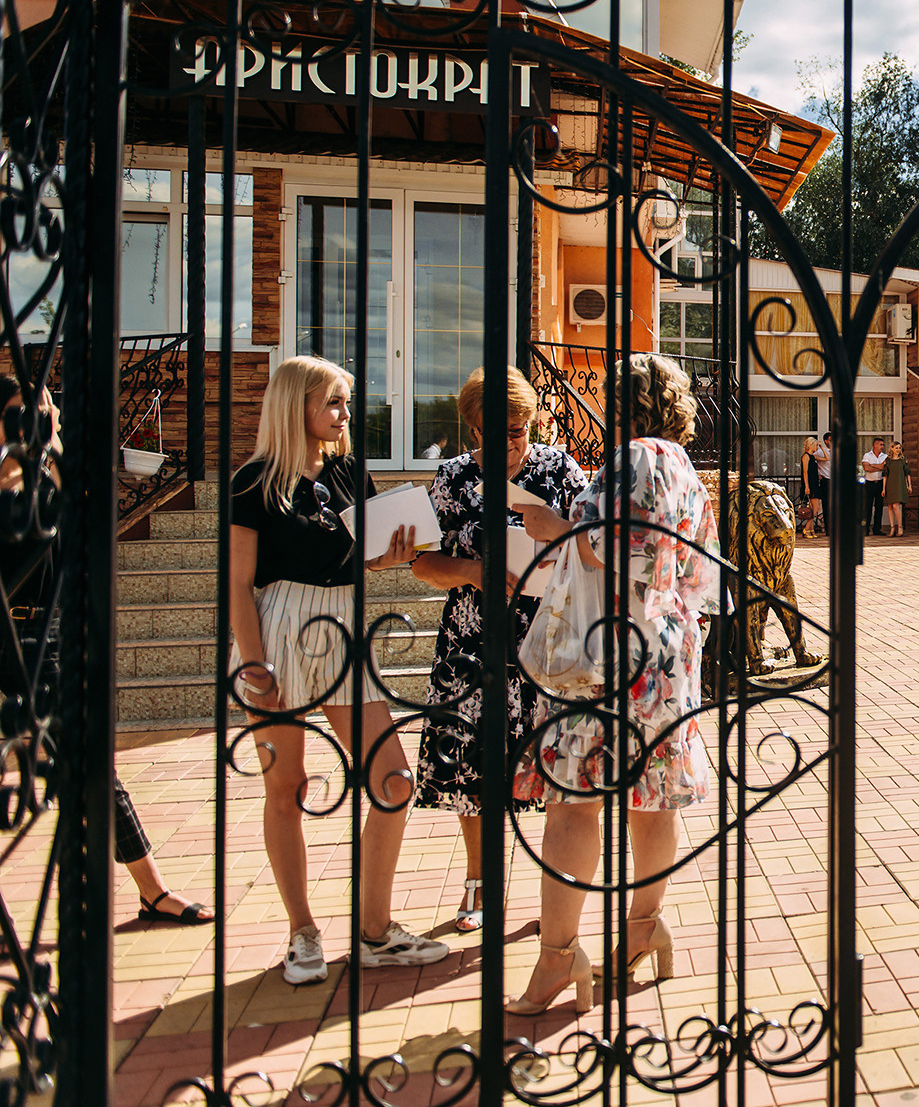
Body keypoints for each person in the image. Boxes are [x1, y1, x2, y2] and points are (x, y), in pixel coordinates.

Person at [507, 353, 719, 1016]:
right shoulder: (687, 469)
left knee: (575, 802)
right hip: (669, 652)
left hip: (608, 653)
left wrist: (552, 529)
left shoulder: (627, 458)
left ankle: (558, 957)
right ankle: (641, 927)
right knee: (653, 799)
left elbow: (604, 546)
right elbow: (697, 571)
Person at [226, 355, 441, 985]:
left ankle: (375, 933)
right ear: (296, 406)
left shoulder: (350, 471)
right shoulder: (253, 482)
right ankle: (302, 932)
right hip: (279, 626)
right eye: (334, 402)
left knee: (393, 779)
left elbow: (359, 555)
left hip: (343, 624)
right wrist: (255, 662)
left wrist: (391, 556)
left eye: (346, 401)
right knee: (286, 787)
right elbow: (239, 583)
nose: (345, 415)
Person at [0, 377, 213, 926]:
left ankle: (153, 890)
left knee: (90, 763)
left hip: (46, 639)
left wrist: (52, 449)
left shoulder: (53, 478)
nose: (37, 422)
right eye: (25, 414)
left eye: (45, 411)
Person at [412, 367, 586, 934]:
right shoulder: (453, 479)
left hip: (547, 646)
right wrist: (473, 570)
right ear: (471, 429)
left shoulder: (559, 470)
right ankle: (481, 886)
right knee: (472, 770)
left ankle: (553, 890)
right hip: (472, 648)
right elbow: (423, 562)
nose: (509, 443)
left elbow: (588, 549)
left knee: (554, 769)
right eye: (494, 432)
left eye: (517, 430)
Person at [862, 437, 888, 535]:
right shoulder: (867, 455)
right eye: (880, 444)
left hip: (880, 483)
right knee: (867, 507)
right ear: (875, 445)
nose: (882, 447)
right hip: (869, 483)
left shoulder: (884, 456)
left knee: (879, 507)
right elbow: (866, 468)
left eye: (883, 445)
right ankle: (865, 529)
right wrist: (879, 467)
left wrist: (872, 465)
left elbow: (884, 467)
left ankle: (877, 529)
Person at [883, 441, 909, 536]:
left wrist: (909, 485)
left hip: (899, 484)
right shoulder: (888, 460)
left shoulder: (903, 459)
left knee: (896, 506)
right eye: (896, 448)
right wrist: (883, 488)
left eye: (899, 448)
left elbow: (907, 473)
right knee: (890, 506)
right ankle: (892, 528)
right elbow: (885, 475)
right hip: (890, 484)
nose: (898, 450)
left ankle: (900, 527)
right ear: (891, 448)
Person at [800, 436, 824, 538]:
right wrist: (806, 486)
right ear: (811, 445)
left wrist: (822, 448)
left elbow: (827, 458)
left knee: (815, 508)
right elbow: (805, 472)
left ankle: (810, 529)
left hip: (815, 483)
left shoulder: (813, 457)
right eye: (815, 445)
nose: (817, 448)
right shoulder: (805, 456)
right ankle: (806, 529)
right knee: (815, 508)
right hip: (810, 484)